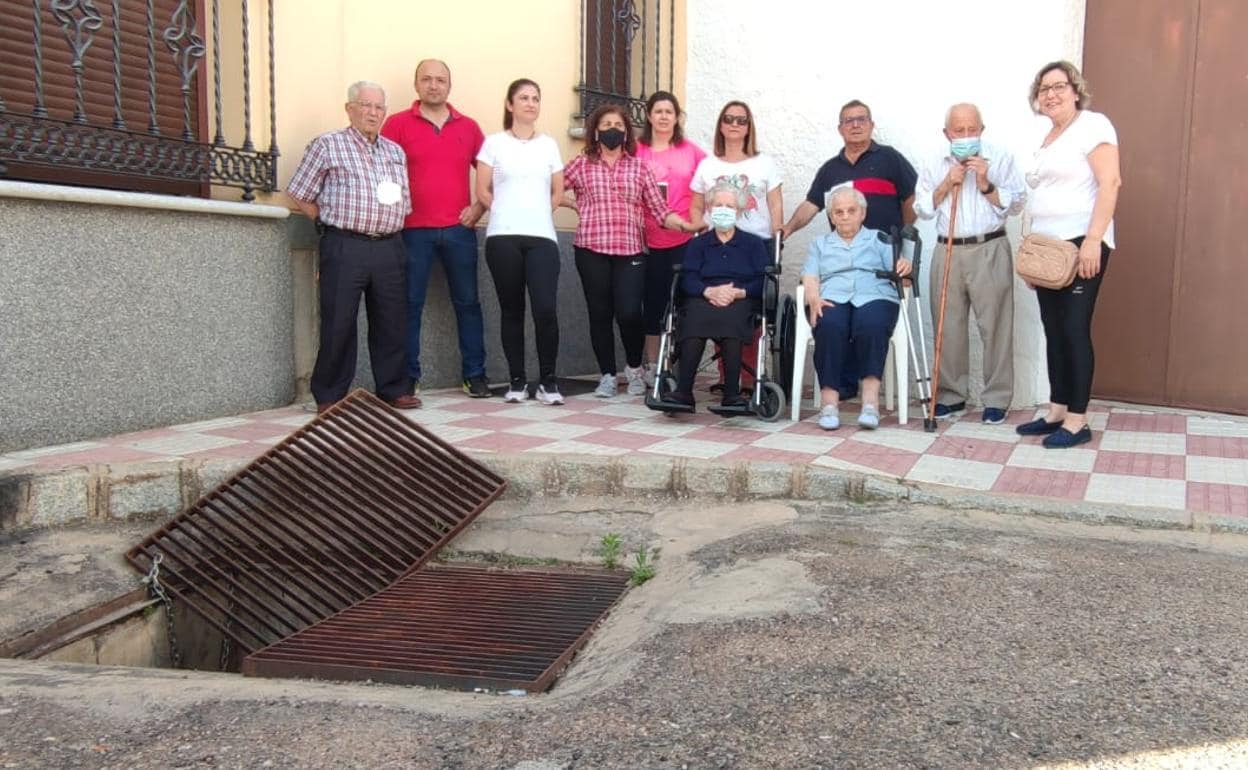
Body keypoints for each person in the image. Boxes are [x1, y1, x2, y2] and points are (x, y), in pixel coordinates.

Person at [287, 81, 422, 413]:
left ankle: (393, 388)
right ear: (349, 108)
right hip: (346, 244)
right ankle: (330, 394)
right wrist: (327, 220)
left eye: (379, 107)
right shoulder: (327, 145)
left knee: (392, 320)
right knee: (338, 320)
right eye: (365, 105)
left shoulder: (394, 152)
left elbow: (403, 199)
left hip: (390, 246)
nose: (373, 113)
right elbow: (300, 191)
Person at [782, 99, 917, 401]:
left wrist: (903, 240)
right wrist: (788, 229)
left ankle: (858, 388)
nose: (855, 125)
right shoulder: (831, 170)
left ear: (871, 125)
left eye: (861, 119)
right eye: (848, 121)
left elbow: (911, 201)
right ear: (840, 128)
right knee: (837, 316)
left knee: (870, 316)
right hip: (842, 263)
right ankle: (841, 387)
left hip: (882, 260)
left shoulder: (891, 159)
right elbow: (811, 205)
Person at [1017, 60, 1121, 448]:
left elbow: (1110, 182)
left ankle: (1078, 420)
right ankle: (1058, 408)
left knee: (1075, 329)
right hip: (1049, 251)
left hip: (1081, 243)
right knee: (1053, 327)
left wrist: (1093, 240)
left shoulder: (1093, 126)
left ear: (1075, 90)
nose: (1051, 94)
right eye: (1044, 89)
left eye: (1059, 86)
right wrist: (1033, 256)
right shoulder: (1048, 137)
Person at [562, 103, 696, 398]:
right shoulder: (581, 164)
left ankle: (635, 370)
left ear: (627, 133)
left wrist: (687, 226)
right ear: (595, 131)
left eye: (619, 126)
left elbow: (660, 210)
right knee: (599, 313)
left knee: (630, 312)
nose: (613, 130)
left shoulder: (639, 167)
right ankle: (608, 375)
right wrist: (572, 204)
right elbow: (551, 188)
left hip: (631, 251)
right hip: (590, 248)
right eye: (607, 125)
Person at [380, 59, 490, 399]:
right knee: (408, 305)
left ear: (449, 86)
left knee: (468, 303)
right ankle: (408, 378)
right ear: (416, 85)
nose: (433, 85)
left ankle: (475, 375)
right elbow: (380, 172)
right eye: (426, 79)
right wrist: (392, 216)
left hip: (459, 230)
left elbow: (490, 174)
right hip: (412, 230)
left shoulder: (469, 127)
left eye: (440, 80)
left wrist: (479, 207)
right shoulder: (396, 124)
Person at [914, 103, 1026, 425]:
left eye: (972, 129)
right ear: (947, 133)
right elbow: (922, 208)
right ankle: (951, 396)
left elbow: (1018, 202)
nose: (966, 136)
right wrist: (947, 183)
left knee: (996, 326)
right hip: (948, 248)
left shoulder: (1000, 157)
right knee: (946, 327)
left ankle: (997, 398)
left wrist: (986, 183)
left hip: (988, 245)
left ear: (982, 129)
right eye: (959, 131)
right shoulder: (934, 160)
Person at [476, 79, 566, 405]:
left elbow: (558, 191)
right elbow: (482, 190)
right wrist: (501, 209)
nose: (530, 103)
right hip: (503, 236)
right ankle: (517, 381)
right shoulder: (494, 143)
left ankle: (548, 381)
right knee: (511, 309)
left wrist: (538, 211)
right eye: (523, 98)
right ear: (510, 104)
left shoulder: (550, 146)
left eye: (535, 98)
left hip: (542, 237)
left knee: (545, 309)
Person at [689, 100, 783, 394]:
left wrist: (778, 234)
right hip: (715, 244)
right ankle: (724, 375)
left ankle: (746, 378)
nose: (734, 124)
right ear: (720, 124)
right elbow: (695, 205)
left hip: (754, 244)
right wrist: (702, 231)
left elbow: (775, 202)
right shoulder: (708, 164)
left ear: (748, 126)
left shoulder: (763, 163)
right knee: (714, 305)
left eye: (741, 120)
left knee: (747, 315)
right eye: (728, 118)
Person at [801, 187, 911, 431]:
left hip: (875, 294)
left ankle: (870, 403)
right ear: (831, 217)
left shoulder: (879, 239)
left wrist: (904, 266)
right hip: (833, 295)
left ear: (862, 213)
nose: (845, 216)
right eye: (838, 212)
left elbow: (899, 273)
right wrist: (813, 298)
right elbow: (810, 275)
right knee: (829, 324)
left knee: (871, 325)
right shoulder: (820, 244)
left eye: (851, 210)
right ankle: (829, 404)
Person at [662, 181, 770, 412]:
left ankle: (732, 394)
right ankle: (683, 392)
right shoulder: (698, 244)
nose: (723, 209)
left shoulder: (754, 244)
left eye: (729, 205)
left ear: (739, 211)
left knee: (732, 321)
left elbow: (762, 280)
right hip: (703, 297)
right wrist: (708, 291)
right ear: (710, 209)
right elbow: (688, 278)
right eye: (718, 204)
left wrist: (738, 292)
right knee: (693, 320)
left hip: (739, 299)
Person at [637, 91, 707, 386]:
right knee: (652, 306)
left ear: (677, 117)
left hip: (684, 241)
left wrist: (701, 222)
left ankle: (676, 364)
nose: (664, 116)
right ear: (649, 116)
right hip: (644, 241)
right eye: (658, 111)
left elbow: (710, 187)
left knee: (681, 305)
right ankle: (653, 366)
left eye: (669, 111)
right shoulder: (635, 151)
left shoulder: (692, 152)